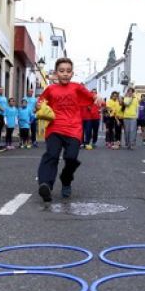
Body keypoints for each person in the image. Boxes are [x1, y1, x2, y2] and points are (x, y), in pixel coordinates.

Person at [36, 57, 101, 201]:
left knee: (71, 159)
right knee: (51, 155)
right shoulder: (50, 89)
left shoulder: (77, 88)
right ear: (56, 73)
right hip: (55, 129)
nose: (65, 73)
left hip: (74, 130)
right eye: (61, 71)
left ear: (72, 73)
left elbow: (92, 97)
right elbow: (40, 103)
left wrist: (98, 98)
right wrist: (39, 106)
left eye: (68, 71)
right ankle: (45, 185)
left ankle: (66, 181)